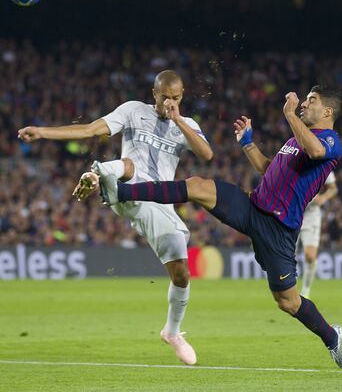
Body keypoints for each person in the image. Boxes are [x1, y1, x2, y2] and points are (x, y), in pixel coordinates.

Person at [92, 86, 342, 369]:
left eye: (311, 101)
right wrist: (248, 144)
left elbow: (315, 152)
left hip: (279, 229)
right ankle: (120, 192)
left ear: (328, 111)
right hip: (253, 207)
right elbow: (269, 169)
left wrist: (290, 114)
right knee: (197, 186)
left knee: (287, 302)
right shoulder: (295, 140)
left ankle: (331, 336)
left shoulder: (330, 141)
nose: (304, 103)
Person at [18, 70, 214, 365]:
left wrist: (178, 121)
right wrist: (43, 131)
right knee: (129, 164)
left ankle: (172, 333)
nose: (169, 103)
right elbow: (91, 130)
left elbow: (206, 154)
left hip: (158, 202)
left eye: (176, 98)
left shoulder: (186, 125)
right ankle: (98, 174)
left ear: (182, 96)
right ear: (154, 94)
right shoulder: (133, 111)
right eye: (165, 98)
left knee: (182, 274)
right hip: (128, 187)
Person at [298, 171, 338, 298]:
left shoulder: (322, 165)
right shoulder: (293, 162)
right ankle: (287, 289)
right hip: (292, 212)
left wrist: (323, 198)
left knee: (310, 256)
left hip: (311, 215)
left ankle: (305, 291)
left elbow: (333, 188)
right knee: (287, 255)